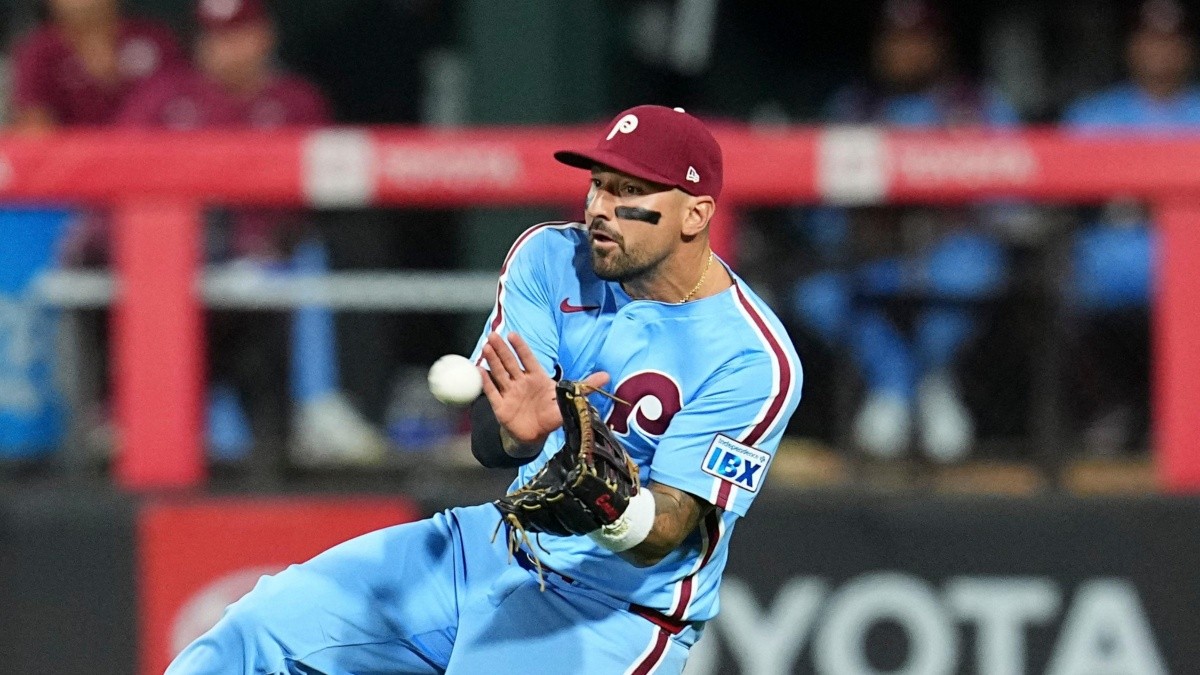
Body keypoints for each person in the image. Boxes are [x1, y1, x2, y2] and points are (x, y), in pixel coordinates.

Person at [166, 105, 802, 673]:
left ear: (695, 214)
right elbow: (490, 445)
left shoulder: (754, 358)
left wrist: (607, 506)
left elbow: (673, 531)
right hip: (499, 546)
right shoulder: (551, 259)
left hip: (613, 614)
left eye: (629, 191)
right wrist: (516, 435)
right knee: (256, 633)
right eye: (597, 185)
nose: (600, 208)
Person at [111, 0, 387, 466]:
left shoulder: (297, 102)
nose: (226, 50)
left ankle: (313, 414)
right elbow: (107, 177)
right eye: (215, 37)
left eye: (238, 34)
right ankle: (125, 426)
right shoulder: (162, 99)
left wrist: (273, 243)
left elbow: (329, 199)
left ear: (264, 36)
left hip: (273, 267)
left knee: (330, 257)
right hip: (177, 270)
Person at [788, 0, 1014, 463]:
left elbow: (1013, 202)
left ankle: (923, 381)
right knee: (818, 292)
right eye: (895, 41)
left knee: (970, 273)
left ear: (940, 46)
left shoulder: (978, 106)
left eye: (917, 41)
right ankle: (903, 385)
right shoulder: (854, 108)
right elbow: (820, 215)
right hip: (876, 257)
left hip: (952, 250)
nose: (905, 52)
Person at [1060, 0, 1200, 454]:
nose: (1160, 51)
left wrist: (1134, 201)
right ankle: (1113, 412)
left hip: (1190, 277)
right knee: (1075, 290)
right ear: (1131, 46)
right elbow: (1062, 194)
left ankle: (1180, 418)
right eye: (1149, 39)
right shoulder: (1094, 115)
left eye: (1171, 41)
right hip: (1108, 281)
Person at [10, 0, 185, 130]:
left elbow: (181, 105)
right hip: (74, 166)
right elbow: (36, 125)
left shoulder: (153, 40)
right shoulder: (38, 51)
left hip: (148, 157)